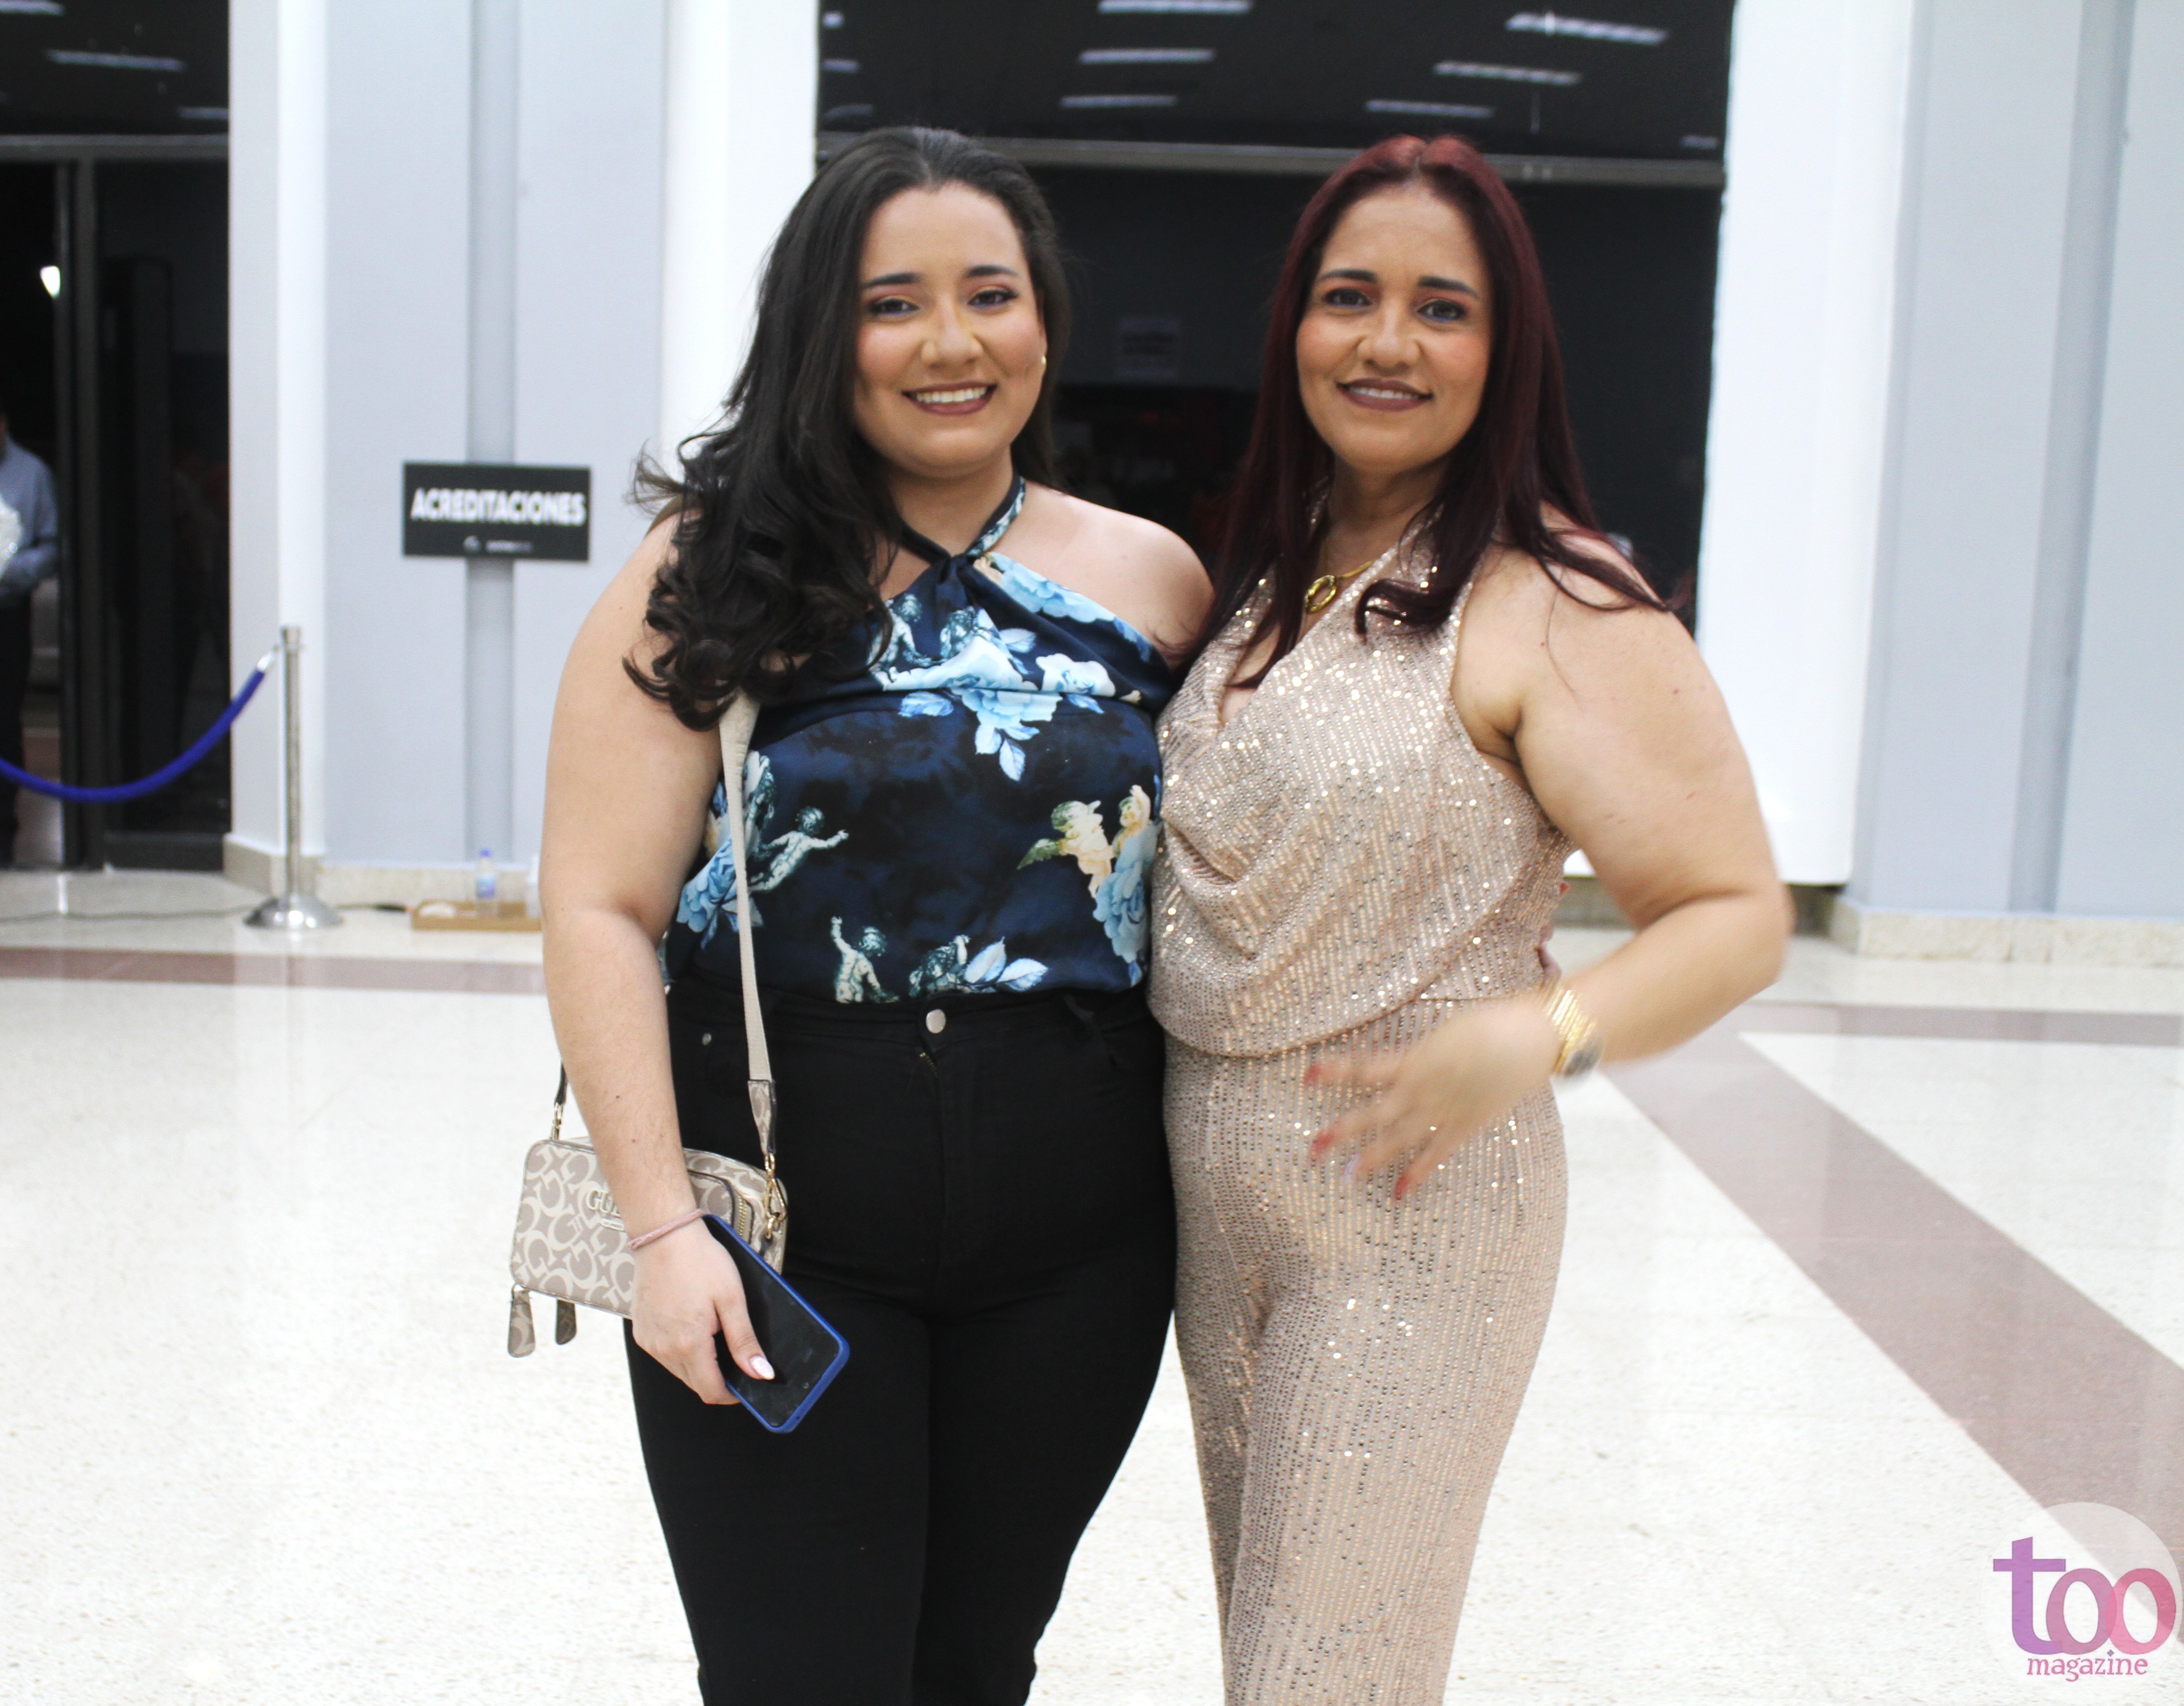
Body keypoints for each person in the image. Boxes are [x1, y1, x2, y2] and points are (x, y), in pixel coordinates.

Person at [539, 127, 1209, 1705]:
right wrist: (659, 1233)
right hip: (781, 1213)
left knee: (976, 1665)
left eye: (990, 294)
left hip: (1079, 1236)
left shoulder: (1152, 582)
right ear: (817, 334)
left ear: (1043, 318)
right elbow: (597, 905)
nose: (950, 342)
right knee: (798, 1673)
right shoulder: (712, 570)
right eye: (891, 303)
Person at [1151, 133, 1790, 1705]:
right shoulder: (1273, 575)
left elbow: (1734, 914)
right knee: (1279, 1661)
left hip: (1412, 1216)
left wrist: (1540, 1032)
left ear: (1505, 354)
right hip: (1216, 1209)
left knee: (1323, 1679)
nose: (1386, 342)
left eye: (1440, 308)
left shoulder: (1555, 598)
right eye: (1348, 297)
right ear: (1293, 326)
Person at [0, 396, 60, 865]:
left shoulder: (31, 473)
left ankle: (4, 830)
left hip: (7, 612)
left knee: (5, 724)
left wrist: (11, 571)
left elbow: (52, 547)